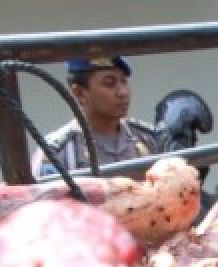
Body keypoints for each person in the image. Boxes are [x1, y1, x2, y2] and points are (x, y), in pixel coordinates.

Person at [32, 56, 160, 178]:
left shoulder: (148, 138)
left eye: (124, 81)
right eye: (109, 83)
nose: (123, 92)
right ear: (80, 93)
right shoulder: (58, 152)